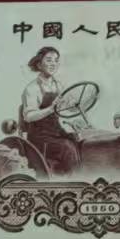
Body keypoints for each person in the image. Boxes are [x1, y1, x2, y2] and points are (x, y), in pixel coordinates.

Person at [19, 47, 82, 175]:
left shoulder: (58, 85)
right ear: (39, 64)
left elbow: (66, 106)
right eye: (49, 60)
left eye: (56, 60)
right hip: (40, 137)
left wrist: (74, 107)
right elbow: (29, 116)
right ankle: (74, 181)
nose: (53, 64)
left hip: (56, 132)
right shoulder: (32, 89)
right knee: (67, 148)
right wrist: (50, 109)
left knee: (81, 141)